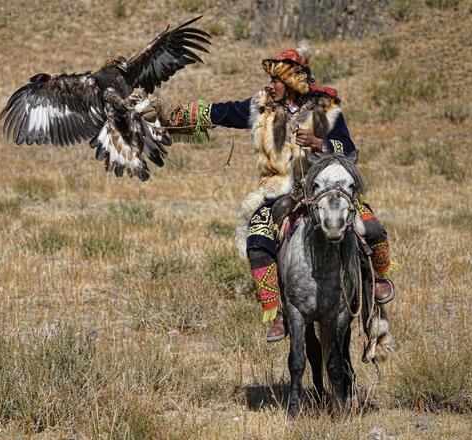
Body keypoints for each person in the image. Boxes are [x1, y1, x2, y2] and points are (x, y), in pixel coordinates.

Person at [145, 42, 396, 342]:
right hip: (279, 192)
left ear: (291, 83)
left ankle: (378, 279)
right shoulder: (260, 108)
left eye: (277, 80)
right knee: (257, 241)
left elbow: (350, 149)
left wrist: (319, 144)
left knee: (371, 227)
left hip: (328, 188)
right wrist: (175, 116)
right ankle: (279, 313)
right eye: (272, 80)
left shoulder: (325, 110)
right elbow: (221, 112)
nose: (271, 85)